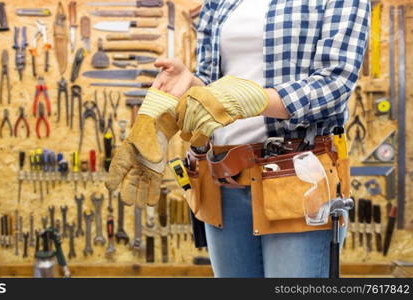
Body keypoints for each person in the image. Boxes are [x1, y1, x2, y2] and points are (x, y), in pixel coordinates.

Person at [106, 0, 370, 278]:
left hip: (297, 179)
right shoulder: (218, 3)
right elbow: (210, 90)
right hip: (222, 179)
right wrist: (186, 87)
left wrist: (255, 99)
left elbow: (335, 83)